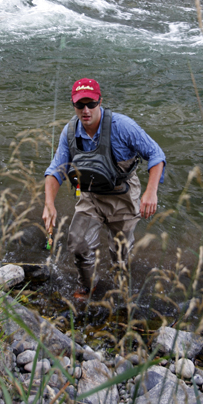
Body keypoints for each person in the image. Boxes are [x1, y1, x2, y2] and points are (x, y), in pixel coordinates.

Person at [43, 78, 166, 299]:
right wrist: (49, 204)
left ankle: (121, 288)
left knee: (119, 252)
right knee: (78, 244)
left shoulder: (123, 126)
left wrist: (151, 191)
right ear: (73, 105)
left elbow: (156, 155)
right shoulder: (70, 132)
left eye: (91, 103)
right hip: (90, 196)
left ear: (100, 101)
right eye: (80, 105)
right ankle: (88, 286)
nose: (86, 110)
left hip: (123, 195)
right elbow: (56, 170)